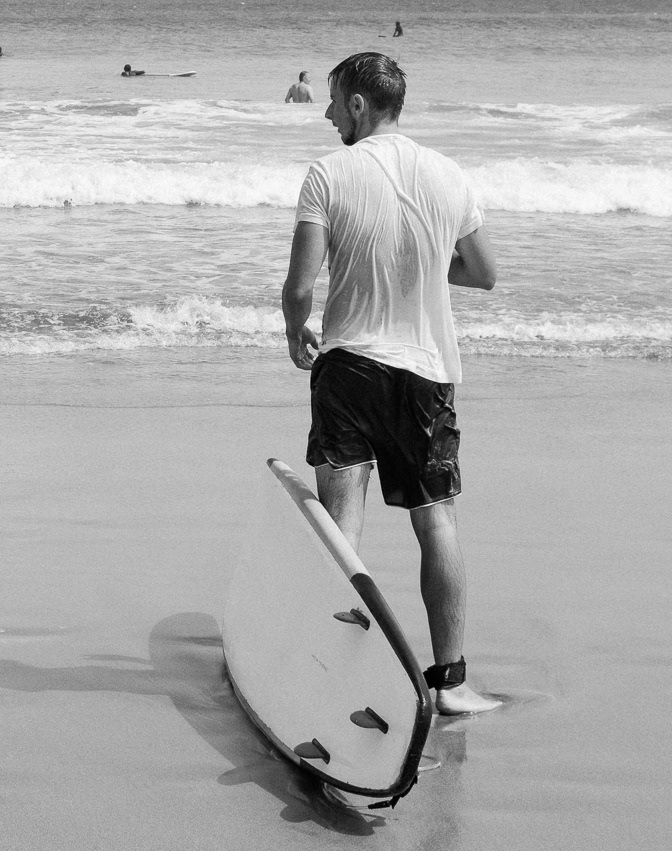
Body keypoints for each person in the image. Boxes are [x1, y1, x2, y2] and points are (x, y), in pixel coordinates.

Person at [279, 52, 500, 716]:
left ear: (356, 104)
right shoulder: (450, 175)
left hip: (350, 368)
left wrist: (296, 330)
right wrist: (428, 269)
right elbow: (484, 272)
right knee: (437, 521)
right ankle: (452, 681)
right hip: (427, 373)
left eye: (331, 100)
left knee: (342, 526)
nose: (324, 114)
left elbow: (299, 285)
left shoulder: (328, 174)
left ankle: (334, 672)